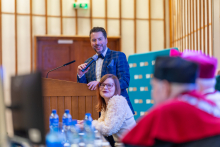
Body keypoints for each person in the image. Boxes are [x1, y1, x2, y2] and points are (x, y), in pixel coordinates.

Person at [121, 56, 220, 147]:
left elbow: (132, 142)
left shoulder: (166, 111)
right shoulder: (209, 104)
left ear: (165, 88)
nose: (152, 93)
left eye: (154, 86)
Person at [77, 27, 134, 114]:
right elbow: (84, 89)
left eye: (100, 39)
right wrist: (81, 75)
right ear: (90, 42)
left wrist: (100, 84)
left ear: (106, 40)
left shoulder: (119, 56)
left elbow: (124, 81)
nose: (97, 43)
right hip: (97, 109)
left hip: (118, 108)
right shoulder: (88, 62)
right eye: (94, 40)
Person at [79, 74, 136, 147]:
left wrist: (90, 124)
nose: (105, 87)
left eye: (109, 85)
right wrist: (85, 123)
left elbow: (107, 129)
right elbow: (101, 122)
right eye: (102, 85)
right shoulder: (107, 102)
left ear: (116, 88)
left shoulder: (117, 101)